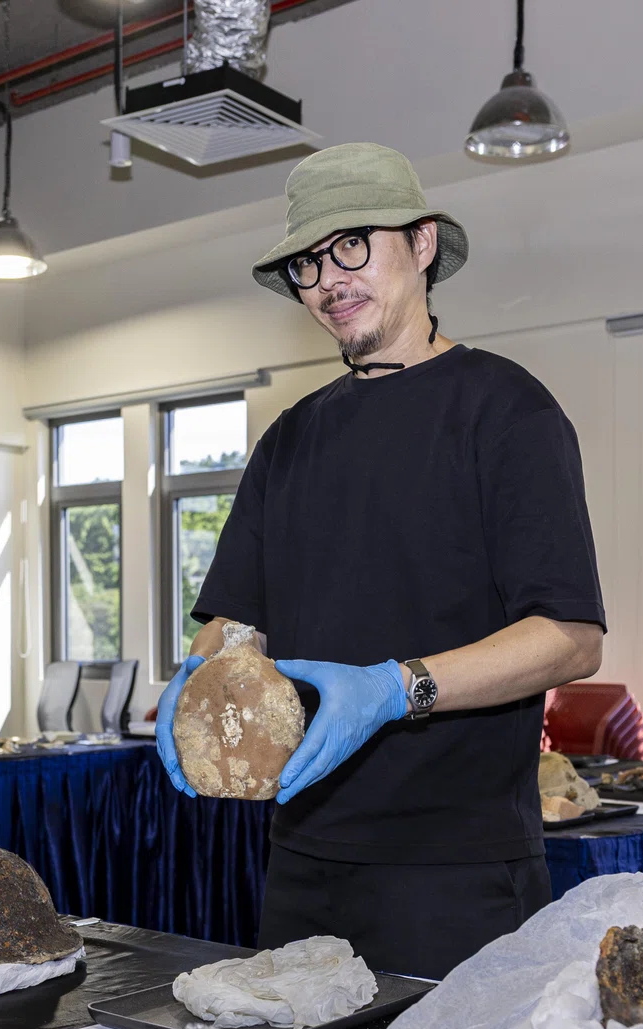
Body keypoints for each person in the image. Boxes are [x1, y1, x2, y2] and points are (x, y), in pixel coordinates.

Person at [155, 143, 605, 981]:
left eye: (353, 244)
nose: (329, 278)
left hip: (457, 870)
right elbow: (235, 620)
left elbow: (571, 637)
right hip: (299, 856)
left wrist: (399, 688)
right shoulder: (290, 438)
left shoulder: (507, 412)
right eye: (307, 262)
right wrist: (198, 677)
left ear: (424, 244)